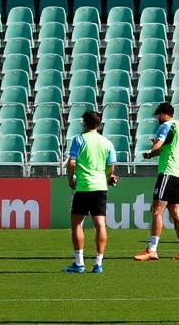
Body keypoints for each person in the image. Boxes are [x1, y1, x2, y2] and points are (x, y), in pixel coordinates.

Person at [135, 102, 179, 262]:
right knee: (175, 212)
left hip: (168, 172)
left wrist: (150, 151)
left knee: (156, 211)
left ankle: (152, 249)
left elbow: (158, 146)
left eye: (158, 115)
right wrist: (152, 155)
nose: (157, 119)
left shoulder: (166, 126)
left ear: (163, 114)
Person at [65, 110, 118, 274]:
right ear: (99, 124)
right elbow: (111, 166)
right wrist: (109, 176)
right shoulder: (107, 143)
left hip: (83, 187)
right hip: (100, 187)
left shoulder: (79, 139)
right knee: (100, 224)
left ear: (84, 123)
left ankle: (79, 263)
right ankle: (98, 263)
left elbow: (71, 163)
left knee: (77, 224)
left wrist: (70, 178)